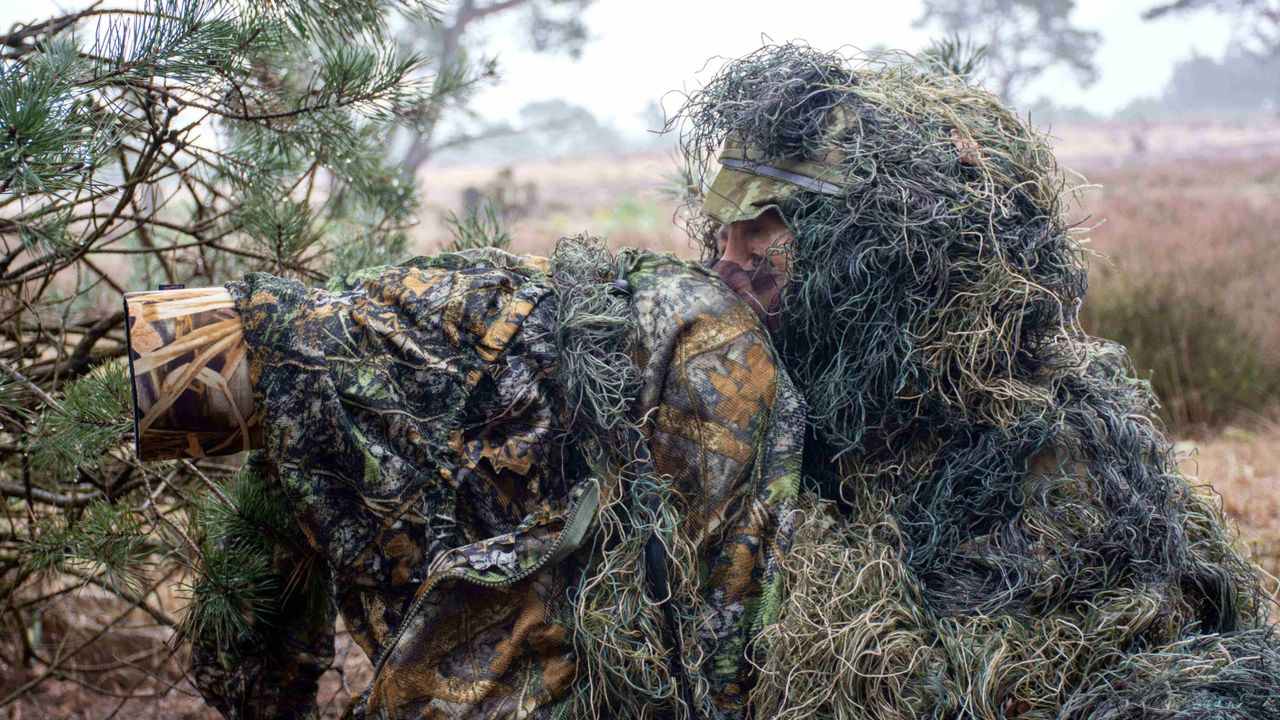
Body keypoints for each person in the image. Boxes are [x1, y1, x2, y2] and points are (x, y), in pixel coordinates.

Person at [680, 43, 1280, 718]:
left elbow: (990, 678)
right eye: (724, 240)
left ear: (867, 259)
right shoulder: (772, 400)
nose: (725, 273)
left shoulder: (1030, 454)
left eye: (760, 244)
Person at [125, 241, 803, 719]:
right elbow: (253, 630)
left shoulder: (323, 376)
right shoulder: (346, 343)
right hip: (616, 371)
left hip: (670, 377)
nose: (731, 256)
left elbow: (251, 652)